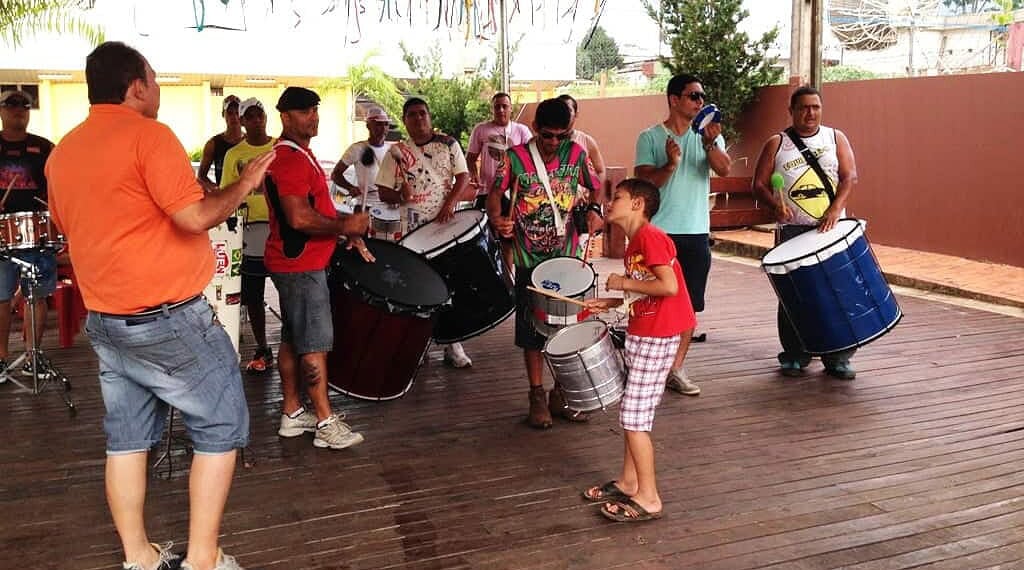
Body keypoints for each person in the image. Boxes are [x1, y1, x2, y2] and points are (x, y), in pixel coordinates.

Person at [46, 41, 275, 570]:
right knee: (220, 426)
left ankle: (140, 559)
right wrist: (244, 183)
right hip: (169, 320)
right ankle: (201, 561)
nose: (157, 89)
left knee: (126, 439)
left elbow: (71, 225)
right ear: (135, 87)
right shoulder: (150, 136)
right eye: (154, 79)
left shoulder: (64, 151)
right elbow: (195, 217)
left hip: (106, 320)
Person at [581, 178, 695, 522]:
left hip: (657, 336)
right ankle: (630, 482)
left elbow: (669, 286)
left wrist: (623, 282)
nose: (610, 202)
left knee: (633, 417)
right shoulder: (635, 244)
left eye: (617, 197)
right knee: (636, 415)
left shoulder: (650, 237)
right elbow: (649, 291)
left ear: (637, 204)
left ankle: (650, 497)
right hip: (644, 332)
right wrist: (614, 300)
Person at [265, 86, 371, 450]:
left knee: (294, 338)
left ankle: (292, 413)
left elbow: (316, 211)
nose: (314, 116)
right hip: (301, 265)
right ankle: (325, 421)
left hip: (295, 261)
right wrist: (346, 227)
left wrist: (345, 232)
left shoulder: (298, 154)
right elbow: (298, 217)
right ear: (285, 117)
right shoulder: (290, 159)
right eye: (305, 111)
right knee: (313, 344)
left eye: (315, 109)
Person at [487, 98, 601, 428]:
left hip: (566, 259)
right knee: (532, 329)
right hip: (528, 258)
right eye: (547, 135)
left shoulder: (577, 154)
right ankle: (536, 394)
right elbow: (496, 194)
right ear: (535, 129)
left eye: (561, 136)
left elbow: (596, 188)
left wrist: (595, 211)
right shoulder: (514, 158)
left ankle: (561, 393)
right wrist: (498, 219)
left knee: (568, 329)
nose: (553, 143)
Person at [634, 73, 732, 397]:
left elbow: (724, 168)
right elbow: (646, 184)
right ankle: (647, 365)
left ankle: (675, 368)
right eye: (693, 96)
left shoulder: (709, 134)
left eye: (701, 96)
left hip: (695, 232)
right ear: (674, 99)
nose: (699, 102)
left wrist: (708, 142)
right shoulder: (649, 136)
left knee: (688, 305)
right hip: (659, 233)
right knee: (652, 301)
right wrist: (671, 164)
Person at [752, 85, 859, 380]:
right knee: (794, 296)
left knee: (836, 294)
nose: (810, 113)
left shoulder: (835, 137)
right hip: (792, 230)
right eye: (803, 108)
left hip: (830, 229)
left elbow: (849, 176)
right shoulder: (777, 142)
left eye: (815, 107)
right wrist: (775, 206)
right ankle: (795, 354)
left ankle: (837, 356)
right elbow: (758, 184)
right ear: (792, 111)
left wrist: (836, 209)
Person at [376, 97, 474, 368]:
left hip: (445, 226)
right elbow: (383, 191)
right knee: (419, 288)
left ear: (430, 117)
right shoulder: (396, 151)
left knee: (449, 283)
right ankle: (419, 346)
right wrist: (399, 193)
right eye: (412, 115)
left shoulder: (448, 144)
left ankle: (453, 345)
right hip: (412, 230)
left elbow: (463, 177)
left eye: (422, 114)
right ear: (405, 120)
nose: (418, 119)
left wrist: (450, 203)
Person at [0, 90, 57, 380]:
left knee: (37, 295)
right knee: (0, 296)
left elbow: (62, 181)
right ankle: (1, 358)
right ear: (1, 111)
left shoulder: (44, 147)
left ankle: (33, 357)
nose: (18, 110)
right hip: (0, 231)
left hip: (37, 231)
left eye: (24, 105)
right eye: (11, 106)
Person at [221, 97, 275, 373]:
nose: (256, 120)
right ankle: (263, 346)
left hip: (279, 233)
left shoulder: (278, 147)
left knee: (289, 292)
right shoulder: (234, 155)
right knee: (253, 295)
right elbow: (226, 194)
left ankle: (294, 345)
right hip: (249, 232)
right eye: (250, 116)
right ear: (241, 121)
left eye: (260, 115)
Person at [466, 92, 532, 209]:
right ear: (492, 110)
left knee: (511, 226)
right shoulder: (481, 129)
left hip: (515, 191)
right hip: (487, 191)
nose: (501, 110)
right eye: (497, 107)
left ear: (511, 108)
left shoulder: (522, 130)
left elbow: (532, 158)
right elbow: (470, 158)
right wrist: (474, 174)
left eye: (504, 106)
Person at [330, 105, 393, 203]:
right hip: (365, 205)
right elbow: (335, 175)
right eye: (378, 124)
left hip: (388, 206)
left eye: (386, 124)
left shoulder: (392, 149)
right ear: (368, 126)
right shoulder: (356, 149)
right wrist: (350, 188)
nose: (383, 128)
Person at [197, 94, 243, 191]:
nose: (234, 117)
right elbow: (201, 176)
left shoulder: (251, 141)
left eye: (237, 113)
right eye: (230, 113)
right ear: (223, 114)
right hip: (225, 200)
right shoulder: (213, 144)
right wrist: (215, 188)